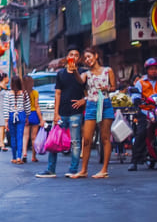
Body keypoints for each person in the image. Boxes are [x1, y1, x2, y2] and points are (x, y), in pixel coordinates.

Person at [37, 48, 86, 178]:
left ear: (79, 58)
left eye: (76, 55)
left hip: (76, 112)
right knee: (54, 140)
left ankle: (73, 169)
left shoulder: (83, 73)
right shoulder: (61, 74)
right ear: (67, 57)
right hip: (62, 112)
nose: (73, 57)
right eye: (71, 55)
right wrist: (56, 113)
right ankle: (50, 169)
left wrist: (83, 100)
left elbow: (87, 90)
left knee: (75, 142)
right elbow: (57, 93)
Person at [69, 46, 116, 179]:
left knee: (105, 137)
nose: (87, 60)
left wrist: (107, 88)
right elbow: (80, 81)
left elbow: (114, 87)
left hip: (105, 103)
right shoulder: (86, 74)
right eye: (85, 58)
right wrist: (74, 71)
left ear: (96, 56)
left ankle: (104, 169)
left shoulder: (108, 70)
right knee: (87, 138)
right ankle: (83, 169)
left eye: (89, 57)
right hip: (91, 104)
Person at [5, 75, 30, 164]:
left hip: (12, 115)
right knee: (20, 136)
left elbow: (6, 108)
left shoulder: (8, 94)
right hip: (21, 115)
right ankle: (19, 157)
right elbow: (27, 107)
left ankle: (14, 157)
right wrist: (27, 116)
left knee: (13, 137)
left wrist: (6, 121)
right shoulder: (24, 93)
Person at [23, 76, 44, 163]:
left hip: (25, 114)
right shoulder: (35, 92)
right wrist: (41, 119)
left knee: (25, 136)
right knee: (34, 137)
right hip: (34, 114)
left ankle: (24, 153)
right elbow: (37, 106)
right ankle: (33, 156)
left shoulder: (22, 93)